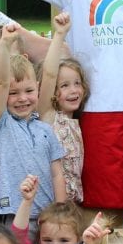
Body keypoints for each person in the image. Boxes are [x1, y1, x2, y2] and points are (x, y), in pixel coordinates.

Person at [0, 24, 65, 228]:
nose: (22, 99)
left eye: (28, 91)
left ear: (37, 89)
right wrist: (4, 45)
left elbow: (57, 173)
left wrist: (61, 210)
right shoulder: (0, 123)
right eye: (13, 94)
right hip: (11, 214)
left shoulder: (45, 130)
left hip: (46, 218)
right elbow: (2, 82)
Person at [37, 12, 89, 204]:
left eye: (77, 83)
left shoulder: (78, 122)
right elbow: (50, 74)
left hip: (73, 205)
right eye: (65, 86)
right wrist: (59, 35)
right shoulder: (49, 117)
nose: (73, 90)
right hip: (51, 203)